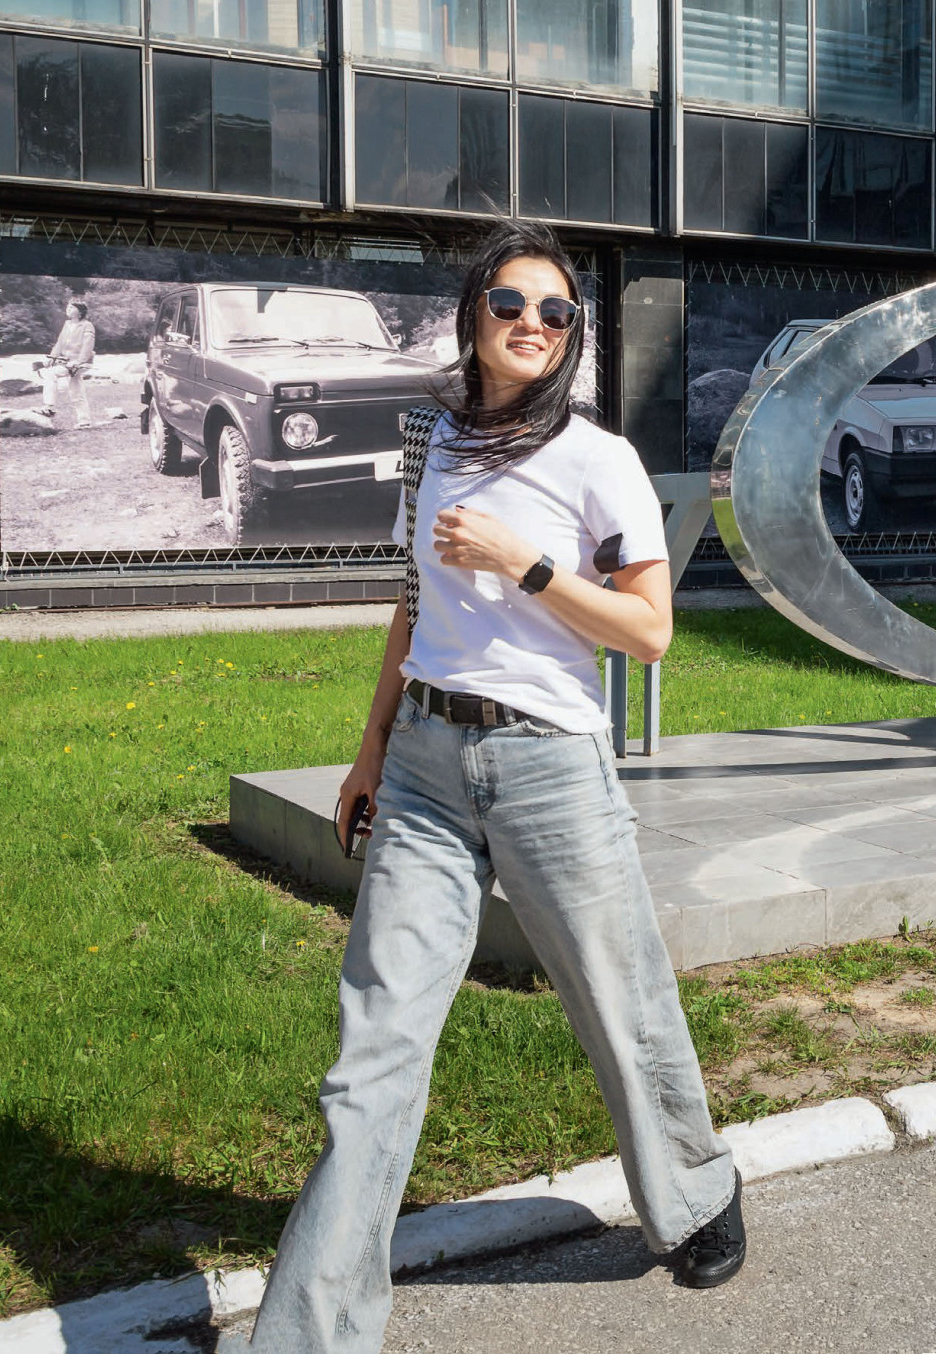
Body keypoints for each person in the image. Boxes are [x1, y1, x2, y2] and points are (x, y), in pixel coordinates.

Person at [251, 221, 743, 1354]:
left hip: (548, 767)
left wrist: (527, 564)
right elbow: (413, 603)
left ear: (573, 334)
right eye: (511, 302)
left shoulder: (596, 458)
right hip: (425, 765)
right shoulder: (429, 440)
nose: (533, 323)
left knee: (619, 1001)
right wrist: (371, 749)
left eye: (556, 311)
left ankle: (694, 1191)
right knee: (371, 1053)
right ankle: (311, 1336)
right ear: (473, 312)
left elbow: (650, 632)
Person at [39, 300, 96, 427]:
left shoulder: (87, 325)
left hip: (81, 363)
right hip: (67, 362)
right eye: (68, 307)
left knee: (50, 374)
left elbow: (88, 346)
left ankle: (49, 407)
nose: (68, 309)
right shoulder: (67, 324)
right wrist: (51, 357)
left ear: (80, 312)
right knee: (77, 391)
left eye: (72, 307)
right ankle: (85, 421)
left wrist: (79, 362)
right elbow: (60, 343)